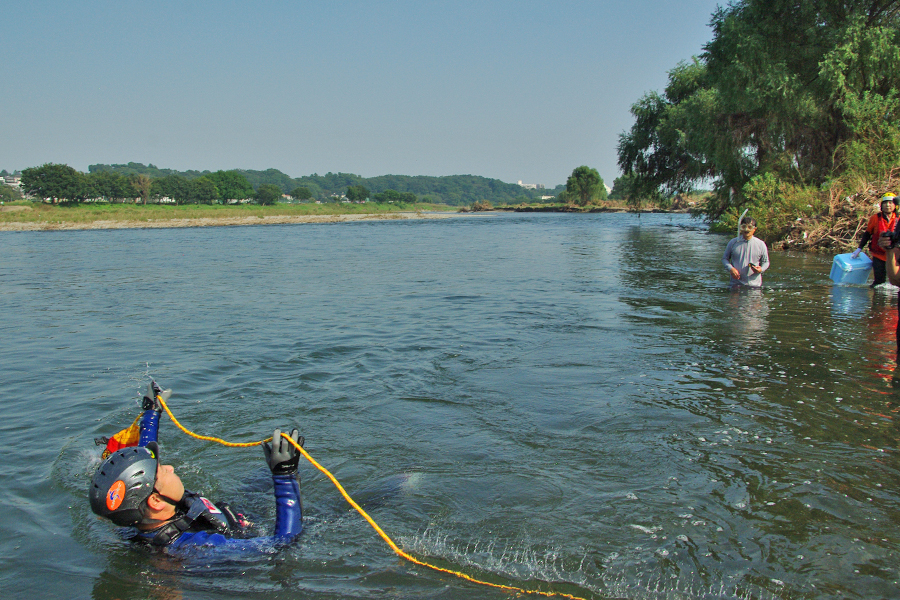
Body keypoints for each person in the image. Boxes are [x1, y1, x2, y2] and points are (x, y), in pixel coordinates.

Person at [89, 381, 303, 548]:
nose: (170, 468)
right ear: (155, 501)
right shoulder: (197, 546)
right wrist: (285, 478)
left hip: (224, 516)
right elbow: (282, 546)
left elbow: (146, 464)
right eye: (163, 470)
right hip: (245, 535)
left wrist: (152, 413)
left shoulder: (141, 514)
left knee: (260, 478)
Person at [852, 193, 898, 287]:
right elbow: (867, 234)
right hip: (879, 255)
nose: (888, 205)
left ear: (895, 205)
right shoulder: (875, 218)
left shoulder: (899, 218)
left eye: (890, 203)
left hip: (895, 255)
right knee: (879, 282)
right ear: (881, 205)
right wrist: (859, 248)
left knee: (896, 280)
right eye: (885, 203)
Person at [722, 216, 770, 287]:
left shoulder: (760, 244)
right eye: (744, 227)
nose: (746, 230)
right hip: (735, 284)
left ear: (754, 229)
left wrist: (761, 269)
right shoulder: (733, 242)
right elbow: (724, 259)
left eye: (749, 227)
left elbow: (766, 262)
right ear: (740, 228)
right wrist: (731, 269)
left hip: (755, 285)